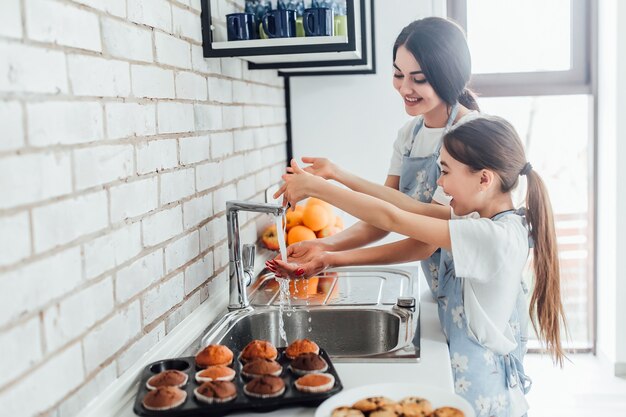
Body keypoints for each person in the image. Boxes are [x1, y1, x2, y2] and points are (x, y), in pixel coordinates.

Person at [268, 116, 567, 417]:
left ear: (484, 179)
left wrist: (319, 189)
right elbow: (406, 206)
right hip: (472, 380)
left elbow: (393, 219)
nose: (439, 182)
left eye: (446, 171)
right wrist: (336, 176)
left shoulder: (491, 237)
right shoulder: (489, 220)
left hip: (482, 396)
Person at [273, 16, 481, 296]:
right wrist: (325, 245)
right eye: (398, 75)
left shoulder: (469, 135)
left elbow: (428, 236)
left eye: (418, 79)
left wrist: (327, 186)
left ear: (449, 76)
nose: (405, 88)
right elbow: (380, 219)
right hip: (442, 290)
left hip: (474, 292)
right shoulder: (409, 135)